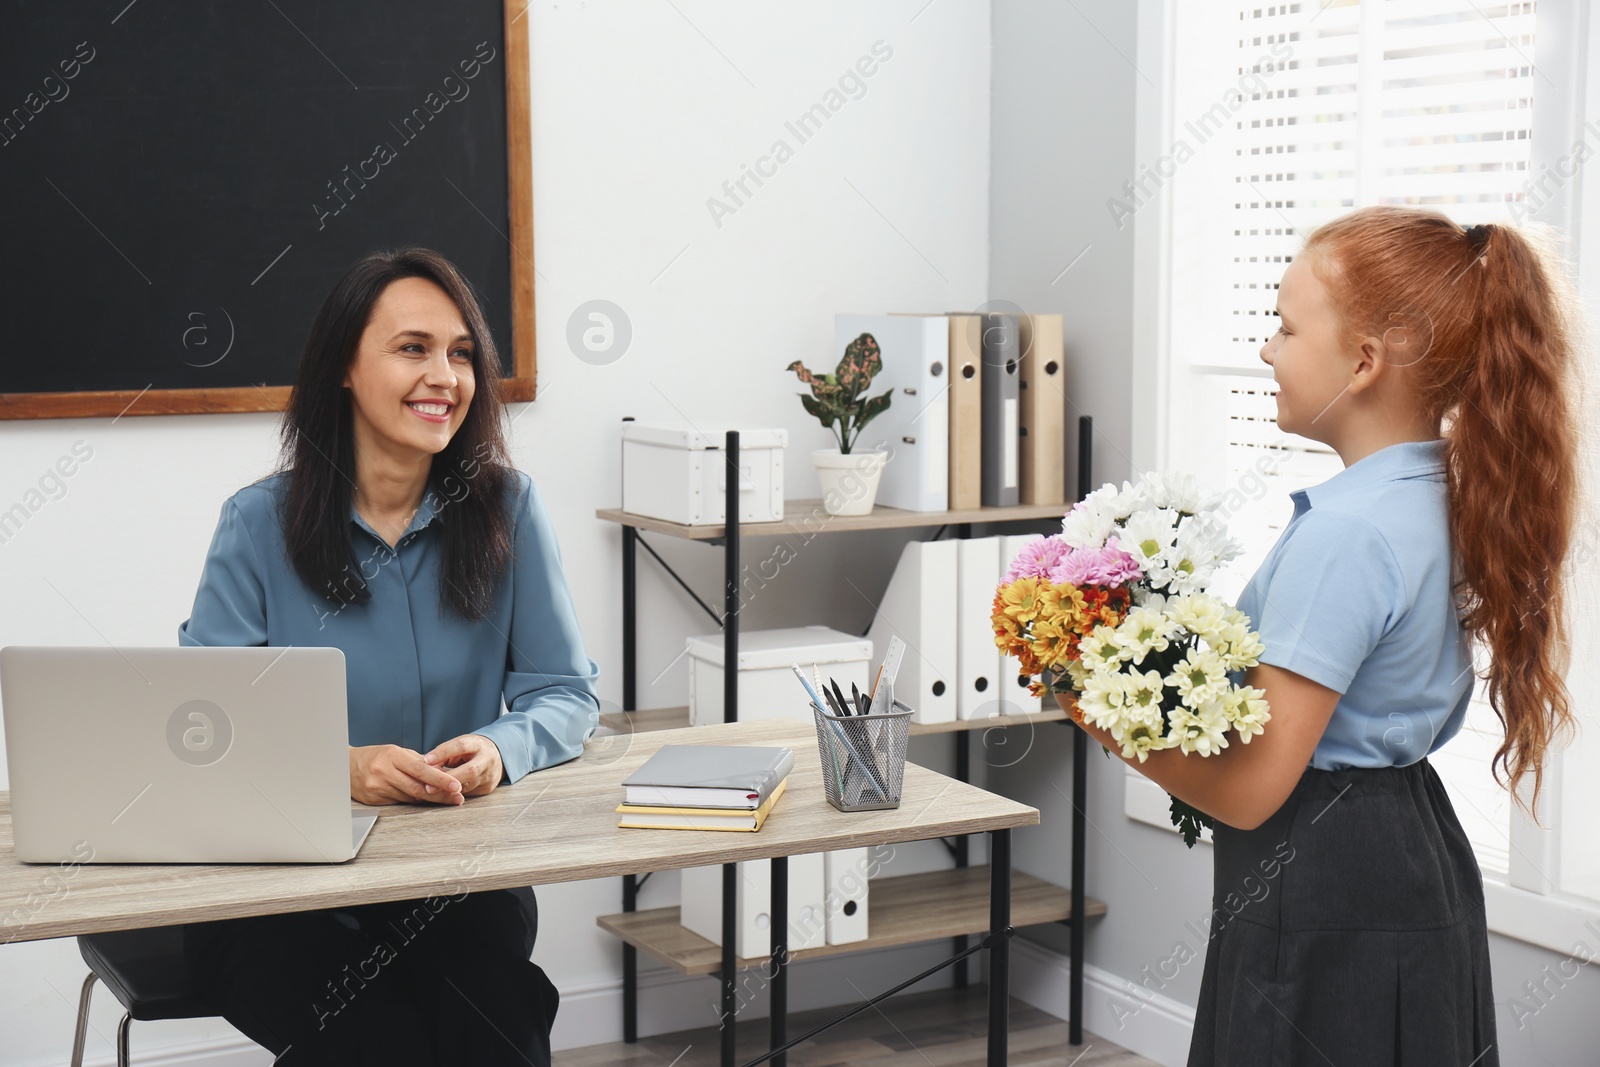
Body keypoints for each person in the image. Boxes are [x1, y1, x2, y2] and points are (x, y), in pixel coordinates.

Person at [1058, 206, 1579, 1065]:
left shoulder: (1347, 537)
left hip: (1323, 873)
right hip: (1411, 851)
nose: (1267, 349)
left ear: (1365, 361)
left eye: (1285, 327)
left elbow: (1253, 787)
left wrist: (1096, 706)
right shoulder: (1438, 497)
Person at [177, 247, 600, 1067]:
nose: (444, 374)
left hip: (454, 878)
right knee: (377, 1039)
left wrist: (500, 749)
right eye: (412, 347)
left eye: (462, 353)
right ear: (343, 364)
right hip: (275, 892)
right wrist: (340, 766)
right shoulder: (257, 524)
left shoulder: (509, 508)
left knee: (497, 1020)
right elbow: (205, 728)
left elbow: (565, 693)